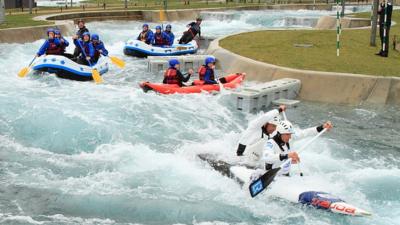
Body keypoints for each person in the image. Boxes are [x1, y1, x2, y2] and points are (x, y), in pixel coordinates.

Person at [261, 120, 333, 176]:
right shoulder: (270, 143)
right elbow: (266, 157)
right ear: (279, 134)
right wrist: (287, 156)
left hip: (285, 176)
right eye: (287, 134)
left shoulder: (289, 138)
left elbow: (305, 133)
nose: (289, 137)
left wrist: (322, 127)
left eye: (290, 134)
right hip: (272, 176)